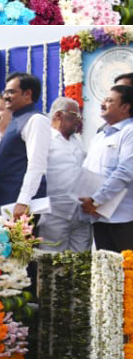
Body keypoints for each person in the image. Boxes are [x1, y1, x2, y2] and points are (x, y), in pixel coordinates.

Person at [0, 73, 50, 218]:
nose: (6, 96)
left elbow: (37, 164)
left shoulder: (36, 120)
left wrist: (24, 200)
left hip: (18, 207)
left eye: (11, 92)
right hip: (4, 205)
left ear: (27, 94)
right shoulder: (15, 121)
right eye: (5, 92)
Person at [82, 85, 133, 252]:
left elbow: (125, 171)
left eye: (110, 100)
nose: (103, 103)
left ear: (125, 107)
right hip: (98, 217)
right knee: (106, 273)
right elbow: (87, 171)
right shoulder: (99, 136)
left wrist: (97, 200)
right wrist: (87, 200)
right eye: (104, 99)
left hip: (123, 219)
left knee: (127, 273)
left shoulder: (129, 131)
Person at [40, 96, 89, 252]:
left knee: (82, 264)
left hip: (81, 213)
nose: (78, 121)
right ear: (59, 115)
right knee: (52, 264)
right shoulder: (44, 139)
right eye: (75, 116)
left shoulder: (77, 140)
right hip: (54, 214)